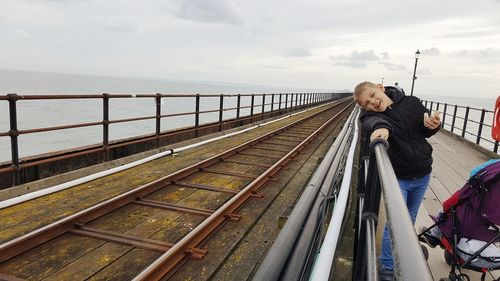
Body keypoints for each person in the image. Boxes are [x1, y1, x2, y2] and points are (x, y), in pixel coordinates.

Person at [353, 81, 441, 281]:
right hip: (398, 177)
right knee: (394, 223)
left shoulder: (411, 102)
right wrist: (382, 131)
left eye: (374, 95)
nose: (374, 102)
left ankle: (402, 253)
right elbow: (372, 123)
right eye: (367, 102)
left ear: (381, 87)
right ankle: (387, 266)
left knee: (409, 219)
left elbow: (425, 128)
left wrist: (433, 125)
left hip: (423, 173)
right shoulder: (371, 116)